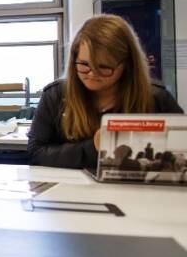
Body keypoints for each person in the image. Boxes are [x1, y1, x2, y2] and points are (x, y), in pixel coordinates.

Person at [28, 15, 183, 169]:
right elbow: (35, 153)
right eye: (84, 64)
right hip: (70, 191)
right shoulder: (55, 96)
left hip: (138, 191)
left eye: (104, 67)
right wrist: (92, 147)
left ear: (127, 64)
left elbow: (182, 150)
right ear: (74, 59)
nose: (92, 74)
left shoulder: (156, 98)